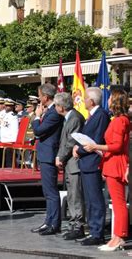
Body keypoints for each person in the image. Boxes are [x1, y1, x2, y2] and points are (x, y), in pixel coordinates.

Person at [82, 89, 129, 251]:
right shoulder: (117, 120)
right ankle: (116, 236)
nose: (107, 101)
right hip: (111, 162)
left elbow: (116, 145)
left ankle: (120, 236)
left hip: (116, 163)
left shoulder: (119, 121)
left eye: (110, 98)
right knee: (116, 203)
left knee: (118, 202)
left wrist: (95, 146)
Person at [72, 87, 110, 246]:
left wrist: (79, 149)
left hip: (93, 161)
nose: (83, 100)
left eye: (85, 97)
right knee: (89, 199)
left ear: (92, 101)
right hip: (87, 162)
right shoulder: (92, 116)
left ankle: (97, 232)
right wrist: (76, 146)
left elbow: (95, 139)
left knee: (95, 199)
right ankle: (93, 229)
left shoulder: (100, 115)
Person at [30, 84, 64, 236]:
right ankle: (48, 221)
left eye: (39, 95)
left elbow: (38, 130)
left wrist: (37, 116)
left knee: (51, 191)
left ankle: (54, 223)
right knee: (47, 191)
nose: (39, 99)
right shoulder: (49, 111)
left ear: (45, 97)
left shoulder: (53, 113)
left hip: (49, 155)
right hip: (45, 154)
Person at [54, 92, 86, 240]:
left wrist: (60, 157)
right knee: (72, 195)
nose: (55, 108)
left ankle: (78, 225)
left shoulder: (74, 118)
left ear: (61, 107)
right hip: (69, 163)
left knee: (76, 195)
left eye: (56, 105)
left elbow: (70, 142)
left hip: (74, 163)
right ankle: (73, 223)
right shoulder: (68, 118)